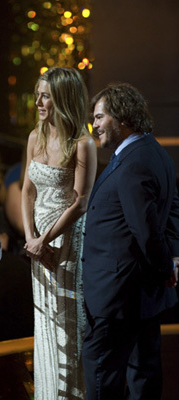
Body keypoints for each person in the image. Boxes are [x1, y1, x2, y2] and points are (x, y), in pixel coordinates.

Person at [82, 82, 179, 400]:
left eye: (99, 117)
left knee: (101, 374)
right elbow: (173, 212)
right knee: (144, 375)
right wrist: (173, 260)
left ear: (122, 117)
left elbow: (147, 233)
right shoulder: (154, 152)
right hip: (142, 295)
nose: (94, 125)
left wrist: (167, 266)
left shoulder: (133, 164)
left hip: (118, 296)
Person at [21, 67, 97, 399]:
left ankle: (73, 394)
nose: (38, 101)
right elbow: (26, 191)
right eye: (37, 94)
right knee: (45, 322)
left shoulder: (83, 144)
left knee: (68, 322)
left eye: (45, 96)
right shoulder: (35, 137)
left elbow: (81, 203)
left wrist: (44, 240)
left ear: (63, 99)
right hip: (38, 244)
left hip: (66, 244)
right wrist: (30, 239)